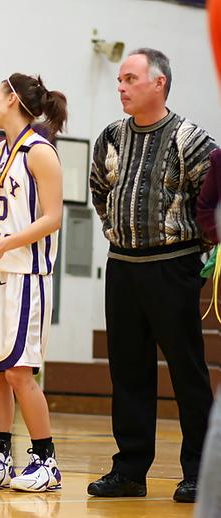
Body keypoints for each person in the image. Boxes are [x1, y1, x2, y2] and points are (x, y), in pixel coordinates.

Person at [88, 48, 216, 503]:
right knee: (127, 371)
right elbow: (99, 191)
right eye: (120, 80)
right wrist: (120, 228)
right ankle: (129, 470)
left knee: (187, 371)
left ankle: (200, 472)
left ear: (158, 83)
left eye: (129, 79)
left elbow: (212, 200)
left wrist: (197, 247)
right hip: (122, 266)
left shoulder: (191, 139)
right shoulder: (111, 136)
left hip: (173, 266)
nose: (120, 87)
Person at [0, 73, 67, 493]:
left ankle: (46, 460)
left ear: (12, 100)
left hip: (25, 275)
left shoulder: (40, 152)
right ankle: (0, 457)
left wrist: (3, 245)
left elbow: (53, 218)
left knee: (19, 372)